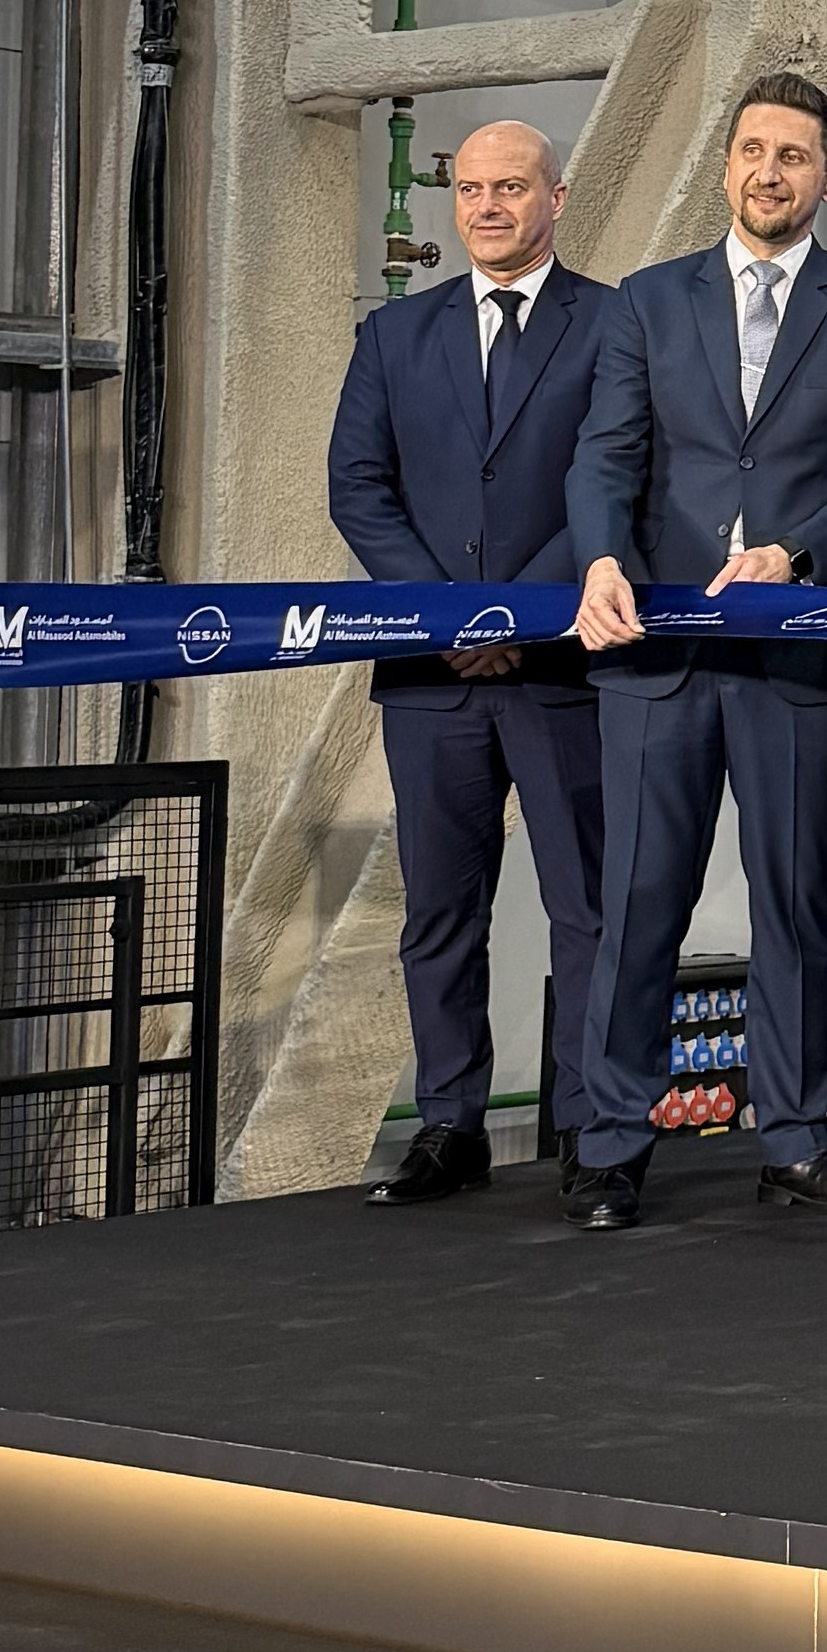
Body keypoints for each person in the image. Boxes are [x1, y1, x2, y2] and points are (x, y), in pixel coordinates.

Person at [562, 76, 827, 1229]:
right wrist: (601, 560)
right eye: (754, 150)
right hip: (656, 646)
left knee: (795, 904)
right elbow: (605, 456)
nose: (770, 172)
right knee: (636, 903)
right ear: (727, 165)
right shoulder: (646, 300)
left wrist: (795, 555)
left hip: (799, 652)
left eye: (795, 156)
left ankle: (800, 1139)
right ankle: (610, 1145)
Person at [322, 116, 613, 1200]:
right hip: (431, 676)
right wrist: (451, 617)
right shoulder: (394, 335)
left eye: (512, 187)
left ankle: (590, 1128)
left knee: (588, 908)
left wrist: (516, 618)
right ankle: (451, 1123)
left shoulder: (615, 325)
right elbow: (358, 487)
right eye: (473, 189)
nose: (488, 206)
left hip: (563, 670)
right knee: (441, 911)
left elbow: (620, 482)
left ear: (556, 199)